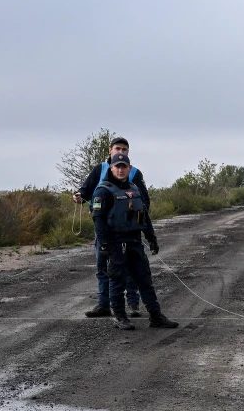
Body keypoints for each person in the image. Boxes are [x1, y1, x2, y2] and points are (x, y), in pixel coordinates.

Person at [90, 155, 178, 330]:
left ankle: (156, 316)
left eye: (124, 167)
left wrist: (151, 237)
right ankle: (120, 318)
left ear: (129, 169)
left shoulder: (134, 189)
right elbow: (98, 220)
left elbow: (143, 216)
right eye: (117, 167)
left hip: (134, 243)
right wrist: (105, 244)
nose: (121, 170)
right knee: (117, 282)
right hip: (115, 244)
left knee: (144, 280)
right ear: (111, 168)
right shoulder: (103, 191)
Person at [75, 136, 148, 317]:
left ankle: (133, 305)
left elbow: (145, 201)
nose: (120, 152)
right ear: (110, 150)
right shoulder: (100, 169)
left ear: (128, 153)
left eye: (124, 149)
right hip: (104, 229)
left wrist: (140, 222)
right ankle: (104, 304)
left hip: (128, 230)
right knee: (102, 266)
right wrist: (79, 196)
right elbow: (86, 190)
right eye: (117, 148)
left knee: (130, 268)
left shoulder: (135, 173)